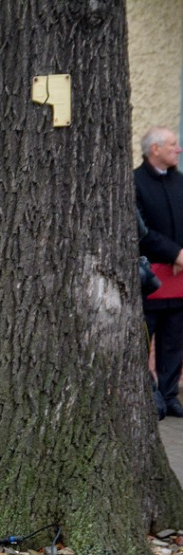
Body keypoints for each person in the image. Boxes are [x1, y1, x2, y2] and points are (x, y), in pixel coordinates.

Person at [136, 127, 183, 417]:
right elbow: (142, 231)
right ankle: (148, 396)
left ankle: (169, 395)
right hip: (151, 275)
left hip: (179, 275)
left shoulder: (180, 181)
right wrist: (175, 253)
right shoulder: (135, 182)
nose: (178, 149)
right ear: (154, 149)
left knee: (174, 338)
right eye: (172, 145)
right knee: (145, 337)